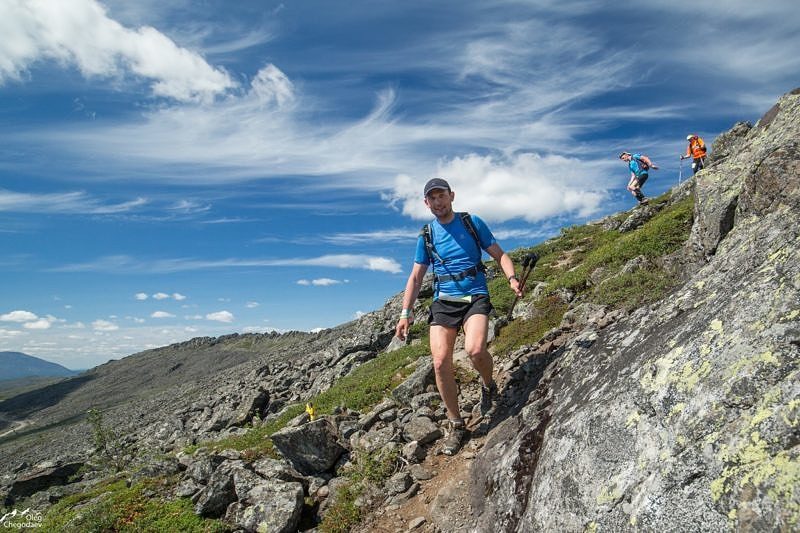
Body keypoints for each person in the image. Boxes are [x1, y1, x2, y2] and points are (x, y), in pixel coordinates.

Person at [394, 178, 522, 456]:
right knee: (440, 362)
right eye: (432, 198)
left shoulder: (471, 222)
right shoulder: (426, 235)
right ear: (426, 203)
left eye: (442, 196)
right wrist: (405, 313)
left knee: (476, 350)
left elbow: (500, 255)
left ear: (452, 196)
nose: (438, 202)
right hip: (444, 300)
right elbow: (416, 277)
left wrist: (511, 278)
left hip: (475, 294)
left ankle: (488, 384)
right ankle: (456, 424)